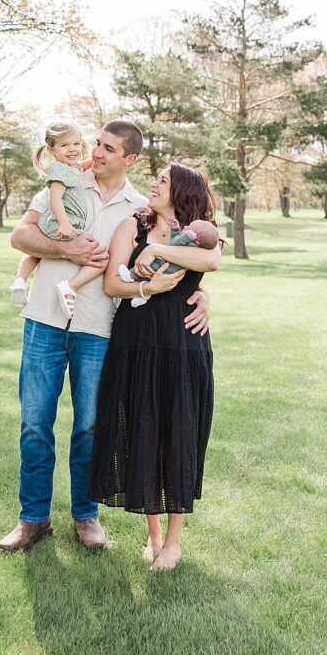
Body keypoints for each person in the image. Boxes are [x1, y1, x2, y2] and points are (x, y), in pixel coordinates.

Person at [0, 123, 218, 554]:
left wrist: (201, 293)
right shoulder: (65, 180)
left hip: (99, 328)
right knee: (35, 424)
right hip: (44, 318)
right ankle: (32, 520)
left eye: (107, 147)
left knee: (90, 427)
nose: (96, 152)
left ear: (129, 159)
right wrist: (67, 250)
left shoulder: (141, 209)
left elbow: (178, 250)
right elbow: (20, 235)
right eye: (95, 143)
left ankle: (86, 516)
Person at [89, 164, 218, 571]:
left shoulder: (203, 231)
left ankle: (175, 542)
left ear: (180, 189)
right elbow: (112, 284)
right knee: (143, 431)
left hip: (183, 344)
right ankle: (153, 536)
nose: (154, 184)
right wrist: (147, 285)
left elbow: (210, 262)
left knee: (180, 433)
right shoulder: (131, 227)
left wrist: (157, 251)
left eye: (162, 180)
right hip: (137, 341)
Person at [9, 122, 100, 317]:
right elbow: (55, 198)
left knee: (36, 254)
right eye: (64, 145)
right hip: (62, 223)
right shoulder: (59, 171)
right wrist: (65, 224)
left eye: (76, 143)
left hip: (56, 222)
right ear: (52, 150)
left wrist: (99, 158)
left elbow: (84, 166)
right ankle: (70, 288)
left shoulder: (72, 168)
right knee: (100, 257)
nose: (72, 149)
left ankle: (19, 281)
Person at [118, 216, 220, 307]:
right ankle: (142, 297)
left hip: (165, 268)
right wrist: (175, 229)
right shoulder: (192, 245)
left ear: (196, 240)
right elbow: (175, 240)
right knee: (149, 275)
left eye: (189, 229)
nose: (185, 228)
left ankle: (130, 276)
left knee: (148, 268)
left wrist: (186, 237)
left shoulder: (191, 245)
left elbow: (174, 244)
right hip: (167, 272)